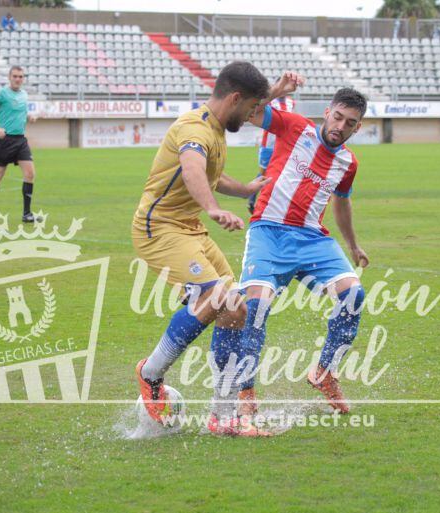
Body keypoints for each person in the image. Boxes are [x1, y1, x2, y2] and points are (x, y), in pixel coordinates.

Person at [131, 62, 302, 437]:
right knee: (216, 296)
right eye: (253, 107)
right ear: (236, 99)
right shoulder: (194, 129)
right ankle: (150, 373)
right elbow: (193, 169)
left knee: (235, 308)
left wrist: (243, 189)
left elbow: (210, 173)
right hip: (158, 229)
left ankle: (222, 418)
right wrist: (212, 208)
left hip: (190, 231)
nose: (256, 115)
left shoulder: (218, 122)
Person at [235, 88, 370, 418]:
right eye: (337, 117)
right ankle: (245, 391)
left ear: (358, 128)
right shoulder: (294, 126)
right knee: (255, 306)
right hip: (268, 230)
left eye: (349, 122)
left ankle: (324, 373)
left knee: (353, 296)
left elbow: (342, 201)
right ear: (327, 112)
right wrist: (276, 92)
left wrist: (352, 244)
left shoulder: (348, 162)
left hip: (312, 239)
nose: (340, 126)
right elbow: (249, 112)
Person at [0, 66, 39, 225]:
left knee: (30, 174)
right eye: (15, 76)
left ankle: (26, 214)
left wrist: (30, 117)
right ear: (9, 77)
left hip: (21, 140)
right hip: (5, 141)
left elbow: (19, 113)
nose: (18, 79)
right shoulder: (1, 94)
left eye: (21, 76)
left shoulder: (24, 95)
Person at [248, 96, 295, 214]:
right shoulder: (270, 101)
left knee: (283, 171)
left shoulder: (291, 102)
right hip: (268, 144)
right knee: (263, 173)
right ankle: (251, 198)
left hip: (284, 143)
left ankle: (278, 203)